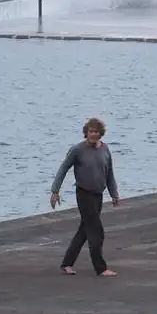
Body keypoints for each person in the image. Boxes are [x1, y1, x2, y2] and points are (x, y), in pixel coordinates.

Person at [50, 117, 120, 275]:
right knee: (96, 230)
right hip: (84, 194)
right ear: (86, 133)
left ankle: (67, 263)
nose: (93, 134)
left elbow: (109, 173)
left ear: (100, 133)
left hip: (98, 194)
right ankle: (100, 268)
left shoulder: (105, 149)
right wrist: (55, 191)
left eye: (96, 132)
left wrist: (114, 193)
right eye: (90, 132)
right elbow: (63, 169)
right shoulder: (77, 150)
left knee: (84, 231)